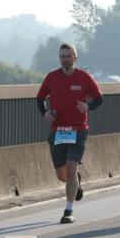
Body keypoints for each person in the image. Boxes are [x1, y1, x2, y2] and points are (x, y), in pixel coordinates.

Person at [36, 43, 103, 224]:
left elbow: (99, 98)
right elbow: (40, 98)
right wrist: (45, 113)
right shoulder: (51, 77)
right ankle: (75, 181)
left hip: (78, 129)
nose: (65, 59)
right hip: (58, 130)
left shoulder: (83, 77)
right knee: (62, 175)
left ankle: (68, 211)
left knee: (71, 169)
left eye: (68, 56)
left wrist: (87, 106)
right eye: (62, 56)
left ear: (75, 57)